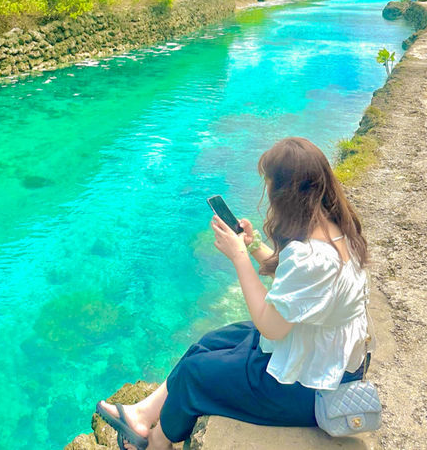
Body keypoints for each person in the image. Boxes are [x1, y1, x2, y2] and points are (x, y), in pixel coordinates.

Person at [96, 137, 371, 450]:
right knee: (210, 342)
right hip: (320, 355)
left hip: (312, 387)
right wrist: (252, 244)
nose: (266, 192)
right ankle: (143, 414)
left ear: (285, 193)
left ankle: (158, 443)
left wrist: (239, 257)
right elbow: (297, 287)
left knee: (195, 374)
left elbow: (271, 325)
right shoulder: (335, 229)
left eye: (269, 184)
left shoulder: (310, 258)